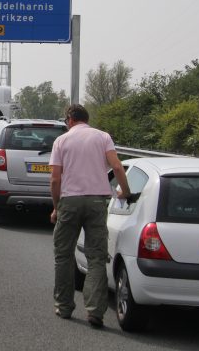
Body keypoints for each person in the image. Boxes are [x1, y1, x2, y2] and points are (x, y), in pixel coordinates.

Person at [49, 104, 131, 328]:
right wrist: (126, 191)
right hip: (97, 202)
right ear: (86, 119)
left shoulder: (61, 141)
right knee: (96, 257)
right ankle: (95, 311)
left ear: (69, 119)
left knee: (64, 255)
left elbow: (55, 179)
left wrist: (57, 207)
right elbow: (117, 166)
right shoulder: (103, 137)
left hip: (69, 201)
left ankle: (64, 306)